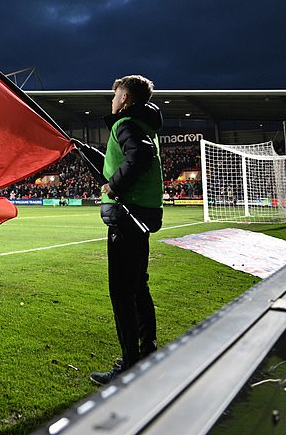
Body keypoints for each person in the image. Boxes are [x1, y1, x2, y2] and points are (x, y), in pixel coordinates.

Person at [82, 75, 164, 385]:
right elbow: (120, 161)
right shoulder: (142, 127)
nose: (112, 102)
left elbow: (138, 158)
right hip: (140, 215)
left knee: (122, 291)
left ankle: (130, 363)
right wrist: (84, 150)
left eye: (115, 96)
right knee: (137, 285)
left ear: (126, 98)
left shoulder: (125, 125)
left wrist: (114, 187)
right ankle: (146, 353)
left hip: (127, 217)